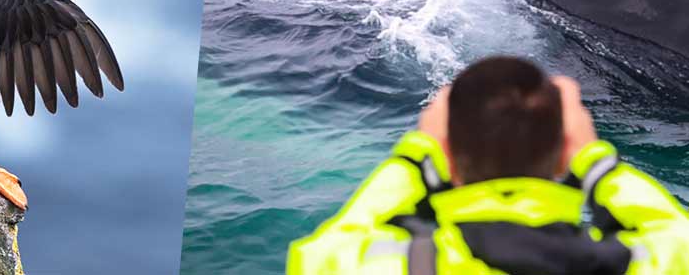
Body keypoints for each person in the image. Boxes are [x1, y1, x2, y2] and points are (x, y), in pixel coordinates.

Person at [287, 56, 689, 274]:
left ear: (445, 154)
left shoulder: (395, 265)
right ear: (566, 151)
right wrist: (595, 160)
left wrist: (417, 156)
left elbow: (322, 251)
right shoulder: (631, 265)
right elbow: (678, 235)